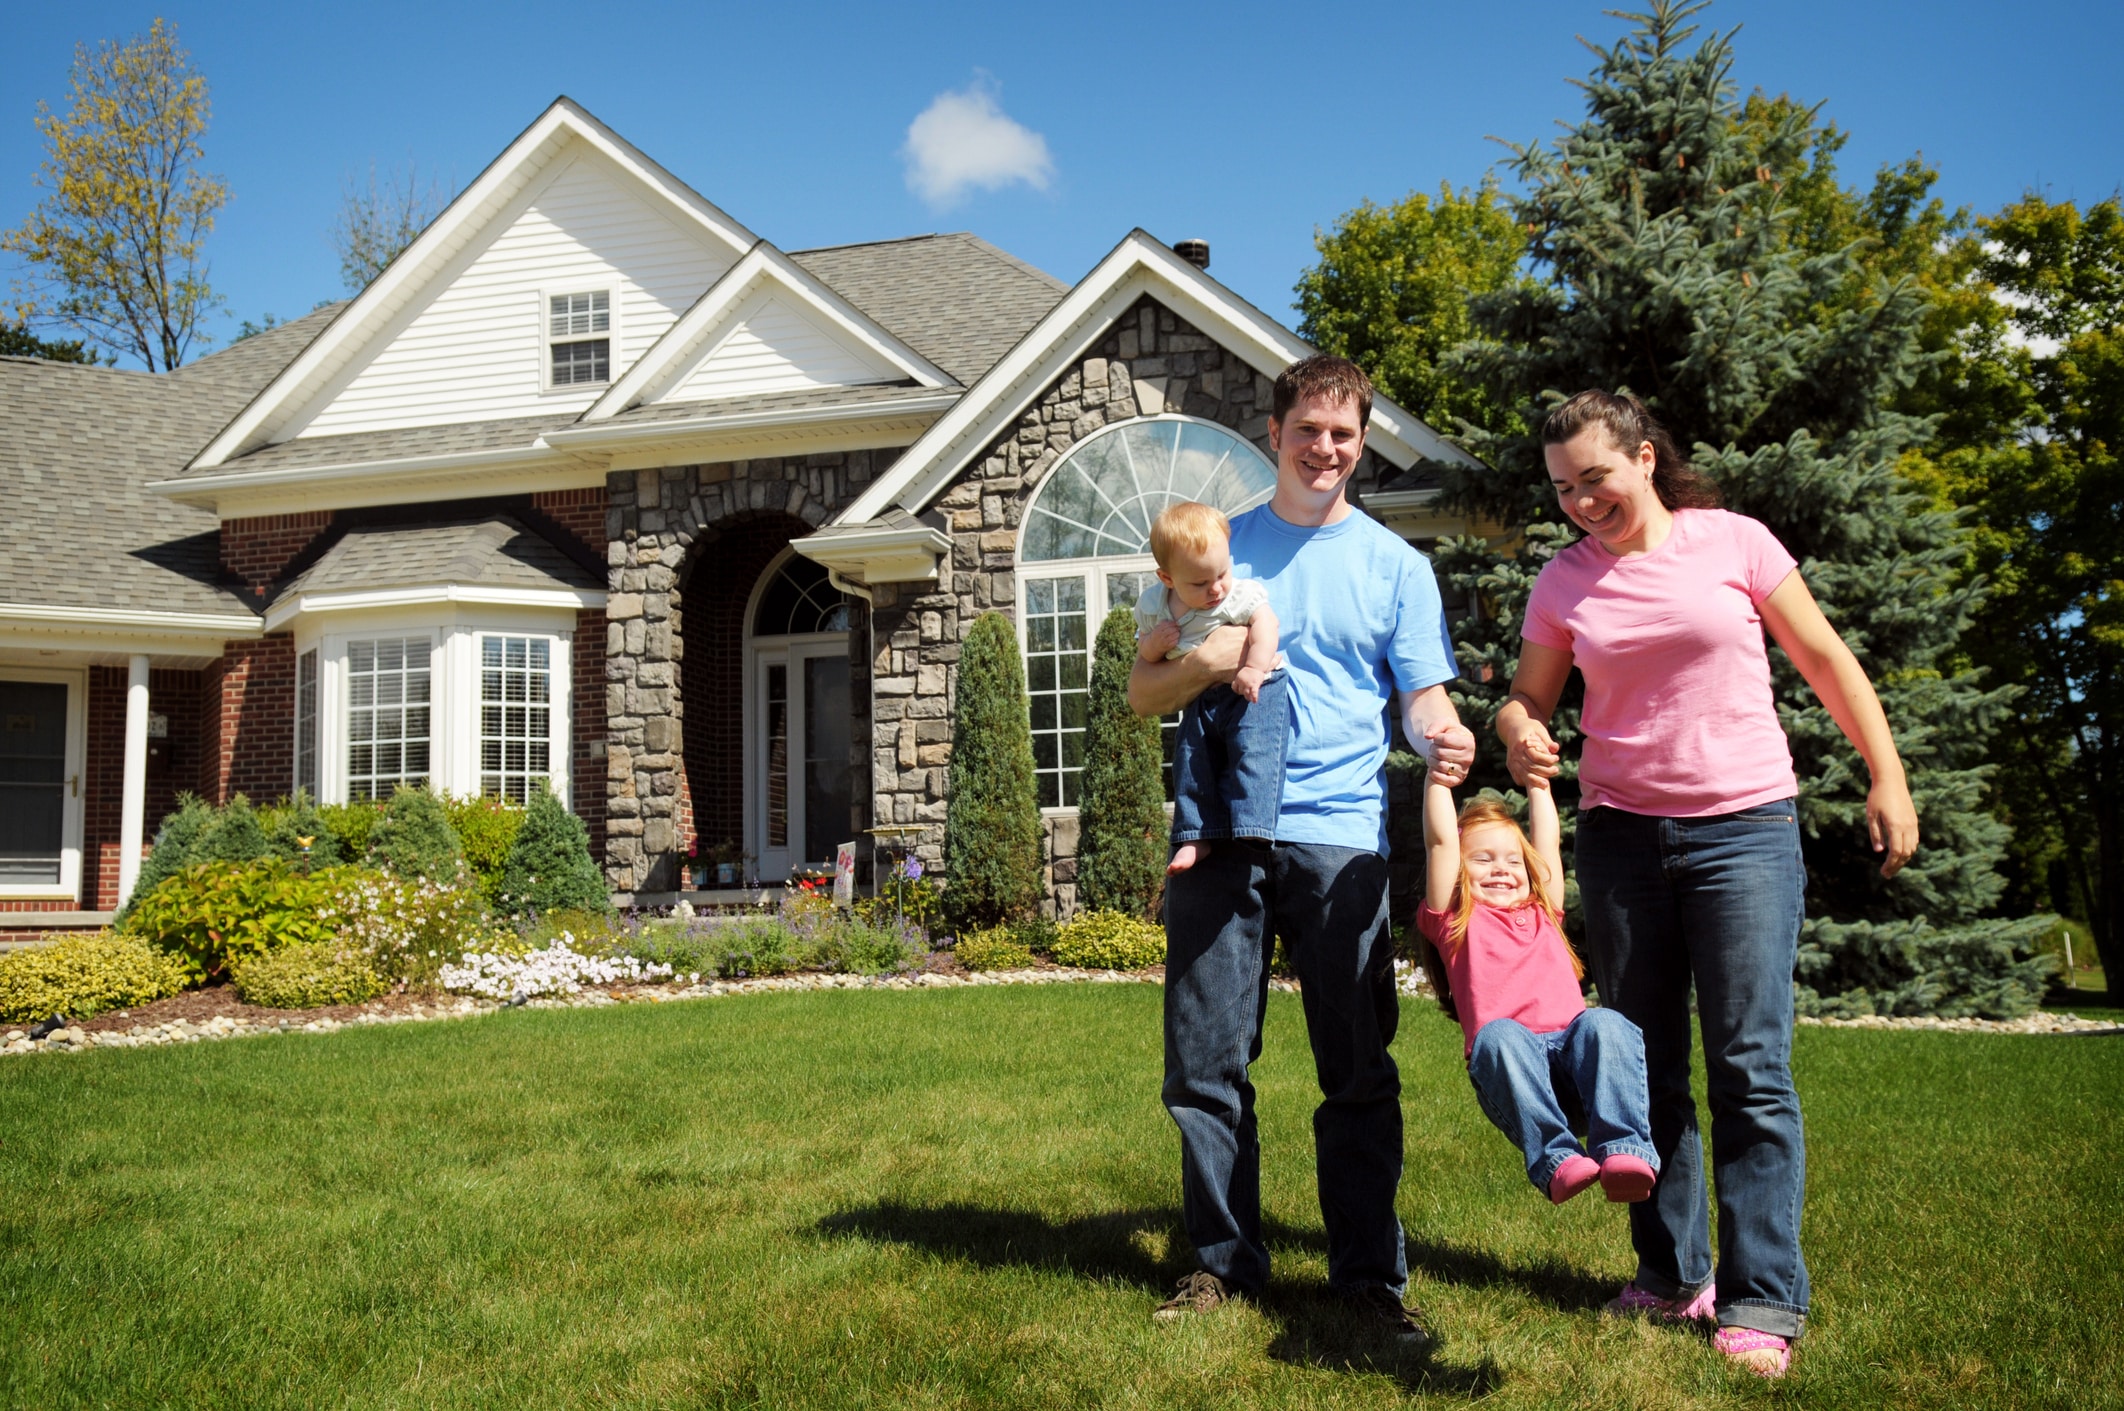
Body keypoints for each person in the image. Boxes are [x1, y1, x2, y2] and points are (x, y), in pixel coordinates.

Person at [1496, 390, 1919, 1379]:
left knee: (1749, 1064)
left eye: (1595, 477)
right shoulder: (1565, 581)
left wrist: (1886, 775)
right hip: (1621, 840)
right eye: (1563, 488)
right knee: (1642, 1073)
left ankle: (1763, 1296)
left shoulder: (1734, 543)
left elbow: (1824, 658)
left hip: (1745, 832)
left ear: (1645, 458)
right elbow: (1528, 694)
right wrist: (1519, 731)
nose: (1581, 501)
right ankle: (1671, 1271)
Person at [1129, 354, 1475, 1341]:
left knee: (1356, 1067)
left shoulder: (1396, 567)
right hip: (1225, 840)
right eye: (1309, 429)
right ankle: (1221, 1265)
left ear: (1360, 442)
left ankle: (1368, 1277)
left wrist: (1442, 735)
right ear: (1274, 431)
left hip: (1337, 839)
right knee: (1204, 1064)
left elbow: (1420, 699)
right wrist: (1215, 655)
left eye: (1344, 434)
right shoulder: (1211, 549)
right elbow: (1142, 691)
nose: (1326, 448)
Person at [1417, 772, 1658, 1206]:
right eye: (1483, 859)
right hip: (1518, 1076)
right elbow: (1439, 843)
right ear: (1458, 872)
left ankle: (1624, 1150)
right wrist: (1438, 779)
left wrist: (1539, 784)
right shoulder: (1456, 922)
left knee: (1604, 1021)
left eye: (1512, 861)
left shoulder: (1545, 912)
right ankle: (1558, 1160)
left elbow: (1547, 845)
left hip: (1579, 1070)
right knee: (1498, 1033)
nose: (1501, 869)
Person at [1134, 500, 1286, 874]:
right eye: (1200, 583)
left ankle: (1253, 825)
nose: (1216, 588)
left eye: (1222, 572)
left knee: (1254, 749)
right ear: (1167, 578)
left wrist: (1254, 667)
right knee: (1190, 760)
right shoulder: (1155, 605)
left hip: (1258, 685)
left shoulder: (1237, 594)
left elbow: (1268, 626)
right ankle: (1195, 836)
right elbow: (1142, 647)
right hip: (1203, 692)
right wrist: (1154, 644)